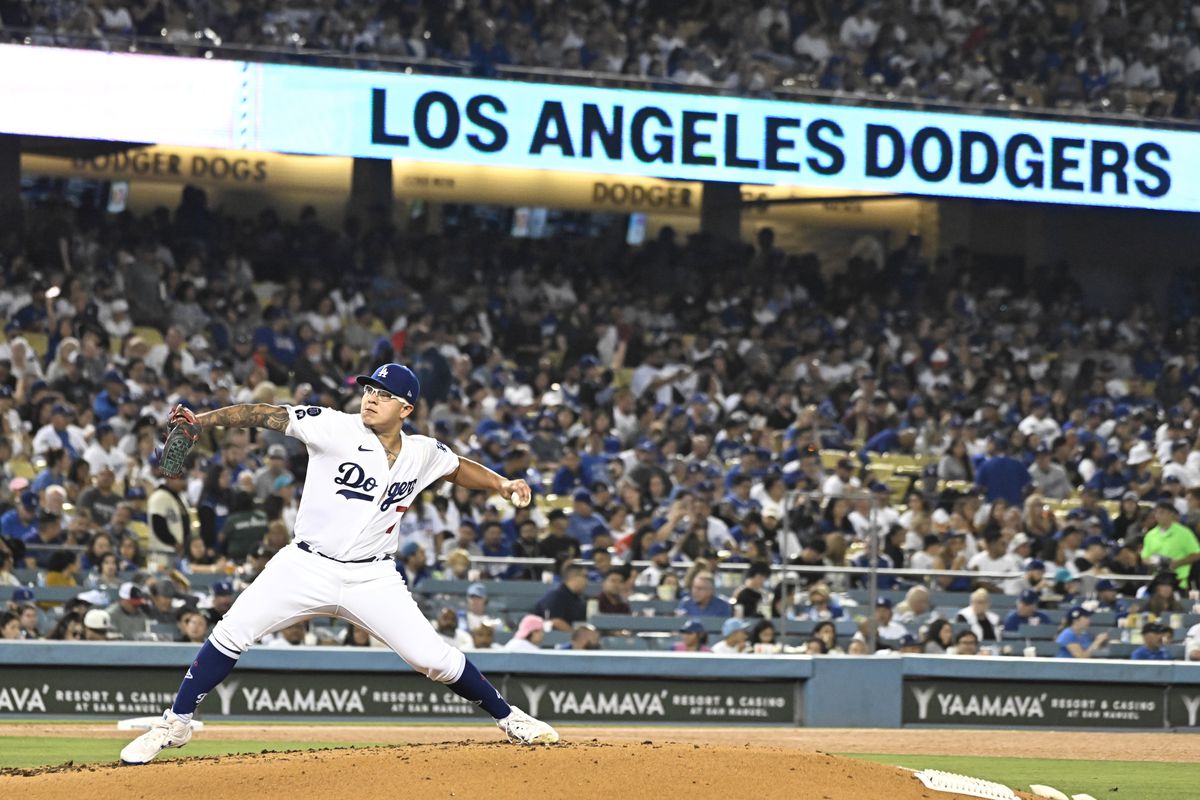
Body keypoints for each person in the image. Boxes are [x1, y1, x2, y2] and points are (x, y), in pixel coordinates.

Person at [120, 364, 558, 765]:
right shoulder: (333, 426)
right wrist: (204, 421)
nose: (370, 397)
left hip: (373, 575)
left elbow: (455, 467)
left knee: (435, 659)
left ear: (406, 407)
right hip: (305, 565)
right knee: (232, 631)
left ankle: (510, 718)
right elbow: (264, 413)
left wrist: (501, 483)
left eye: (383, 394)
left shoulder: (421, 452)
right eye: (369, 388)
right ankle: (175, 723)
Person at [1140, 501, 1200, 590]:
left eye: (1162, 512)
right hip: (1157, 581)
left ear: (1170, 514)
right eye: (1156, 513)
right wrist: (1154, 562)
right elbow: (1144, 558)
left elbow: (1196, 554)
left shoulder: (1184, 533)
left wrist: (1177, 563)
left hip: (1179, 581)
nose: (1158, 515)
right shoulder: (1150, 535)